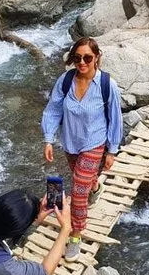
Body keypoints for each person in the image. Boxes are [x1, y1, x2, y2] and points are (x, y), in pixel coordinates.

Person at [41, 37, 123, 262]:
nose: (82, 62)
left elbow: (115, 119)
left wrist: (112, 151)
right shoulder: (65, 80)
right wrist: (48, 139)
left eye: (87, 57)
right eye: (77, 58)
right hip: (71, 142)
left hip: (94, 142)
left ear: (96, 57)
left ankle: (75, 235)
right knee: (84, 181)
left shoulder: (107, 85)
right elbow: (53, 110)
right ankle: (95, 186)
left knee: (78, 192)